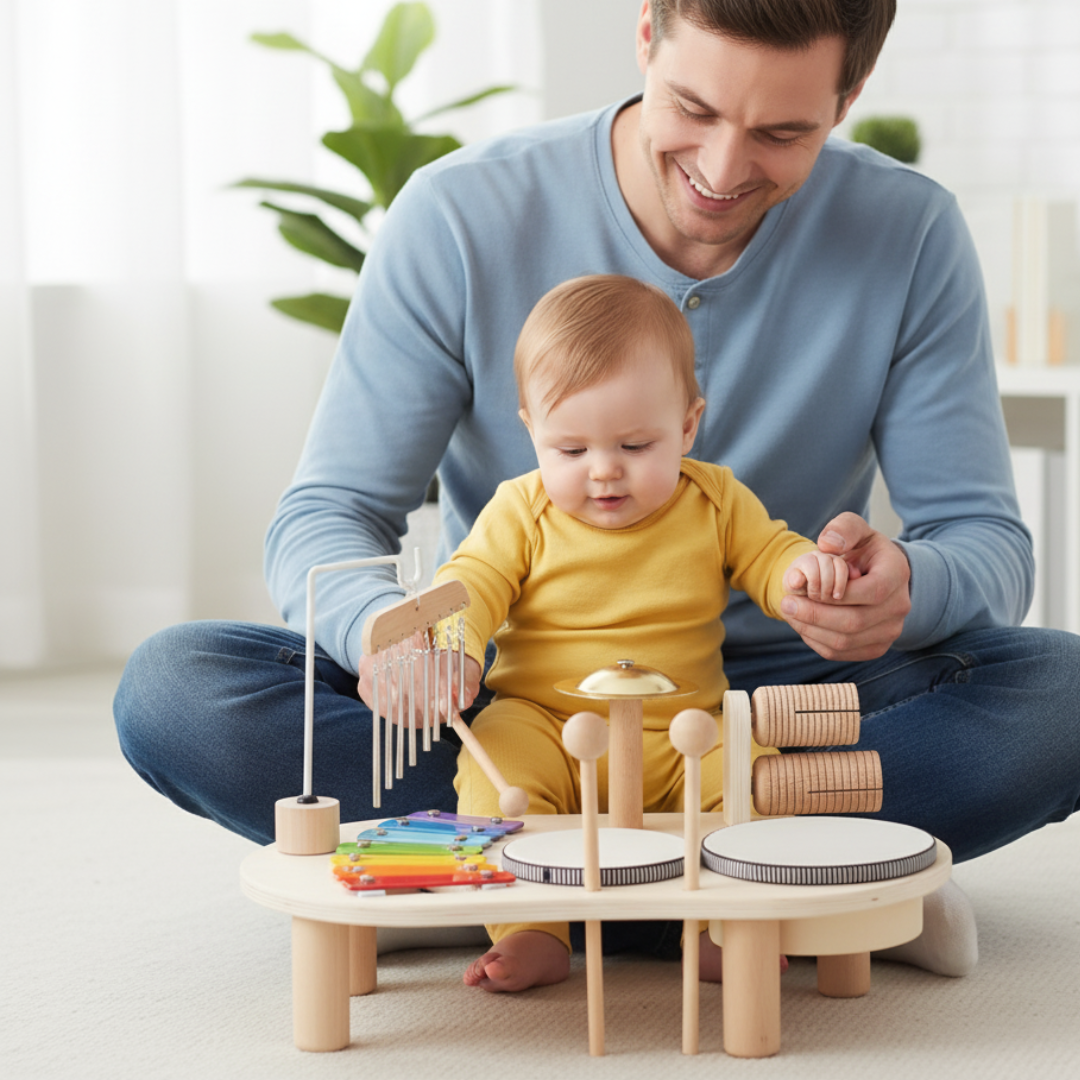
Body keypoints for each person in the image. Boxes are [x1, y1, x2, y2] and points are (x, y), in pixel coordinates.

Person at [114, 0, 1080, 980]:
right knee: (178, 689)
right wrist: (392, 638)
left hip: (783, 716)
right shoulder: (459, 214)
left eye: (783, 132)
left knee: (1064, 698)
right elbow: (330, 513)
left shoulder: (909, 231)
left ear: (849, 95)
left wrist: (905, 585)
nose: (722, 167)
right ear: (647, 34)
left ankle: (482, 878)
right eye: (693, 109)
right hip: (517, 707)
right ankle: (802, 881)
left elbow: (985, 542)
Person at [432, 273, 851, 992]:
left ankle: (718, 926)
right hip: (547, 723)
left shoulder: (715, 499)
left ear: (687, 426)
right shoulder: (520, 510)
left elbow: (769, 552)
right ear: (531, 430)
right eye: (570, 451)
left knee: (758, 780)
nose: (603, 472)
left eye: (634, 444)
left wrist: (803, 574)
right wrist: (454, 650)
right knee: (494, 769)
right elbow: (471, 582)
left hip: (686, 731)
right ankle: (533, 929)